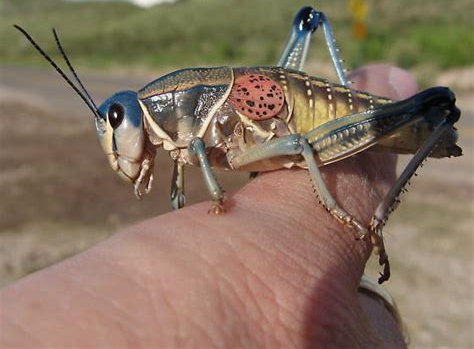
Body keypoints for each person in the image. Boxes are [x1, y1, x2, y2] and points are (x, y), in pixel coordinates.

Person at [0, 64, 414, 348]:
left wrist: (345, 215)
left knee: (304, 143)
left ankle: (373, 216)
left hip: (319, 117)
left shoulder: (189, 122)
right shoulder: (178, 136)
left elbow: (199, 145)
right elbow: (188, 152)